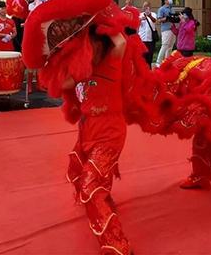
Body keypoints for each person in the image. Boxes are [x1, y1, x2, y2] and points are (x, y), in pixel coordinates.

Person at [64, 29, 131, 255]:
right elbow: (59, 84)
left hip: (109, 134)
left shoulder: (112, 61)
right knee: (75, 171)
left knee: (90, 187)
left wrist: (103, 17)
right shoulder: (81, 71)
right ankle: (105, 201)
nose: (87, 49)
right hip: (87, 130)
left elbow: (120, 41)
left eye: (91, 44)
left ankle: (118, 245)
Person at [156, 0, 176, 65]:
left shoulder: (172, 9)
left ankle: (167, 62)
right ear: (165, 1)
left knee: (170, 46)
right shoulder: (162, 9)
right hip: (166, 29)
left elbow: (174, 17)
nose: (170, 0)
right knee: (164, 45)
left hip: (173, 29)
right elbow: (158, 20)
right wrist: (166, 18)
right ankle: (158, 62)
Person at [138, 1, 157, 65]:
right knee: (142, 56)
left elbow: (154, 21)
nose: (146, 7)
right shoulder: (140, 15)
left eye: (147, 6)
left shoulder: (153, 14)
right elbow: (136, 24)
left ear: (150, 7)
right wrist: (140, 19)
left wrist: (149, 16)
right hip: (142, 39)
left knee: (150, 56)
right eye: (144, 6)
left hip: (150, 39)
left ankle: (149, 70)